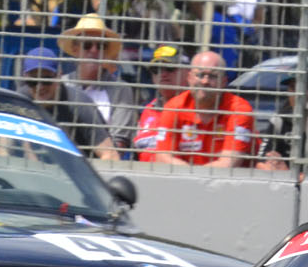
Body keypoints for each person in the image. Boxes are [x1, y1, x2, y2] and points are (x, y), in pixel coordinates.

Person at [148, 49, 255, 168]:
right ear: (189, 78)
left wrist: (191, 175)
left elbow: (229, 164)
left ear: (224, 81)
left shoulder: (239, 109)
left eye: (213, 76)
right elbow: (162, 157)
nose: (205, 81)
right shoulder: (174, 107)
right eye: (199, 75)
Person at [19, 48, 118, 161]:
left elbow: (110, 155)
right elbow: (3, 149)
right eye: (33, 81)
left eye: (46, 79)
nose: (39, 86)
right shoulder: (20, 100)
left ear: (59, 76)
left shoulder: (79, 104)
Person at [60, 13, 137, 144]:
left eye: (101, 46)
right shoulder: (61, 84)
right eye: (87, 45)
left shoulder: (121, 90)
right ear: (75, 49)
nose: (94, 50)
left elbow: (119, 143)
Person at [130, 44, 187, 157]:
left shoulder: (196, 108)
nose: (163, 74)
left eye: (170, 68)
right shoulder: (147, 110)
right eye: (156, 70)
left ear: (187, 72)